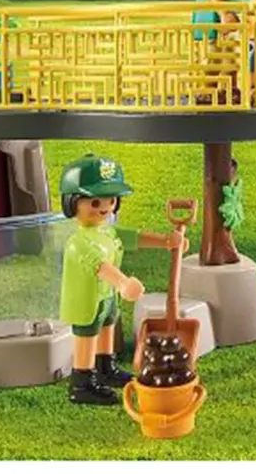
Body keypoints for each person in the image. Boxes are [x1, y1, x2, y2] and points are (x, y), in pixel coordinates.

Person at [58, 154, 187, 406]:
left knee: (107, 327)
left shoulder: (107, 230)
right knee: (88, 336)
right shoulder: (79, 242)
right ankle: (82, 381)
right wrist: (123, 283)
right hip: (87, 300)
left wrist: (165, 241)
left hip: (106, 296)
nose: (105, 207)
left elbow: (133, 237)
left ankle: (105, 367)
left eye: (111, 200)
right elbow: (99, 266)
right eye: (95, 202)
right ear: (72, 203)